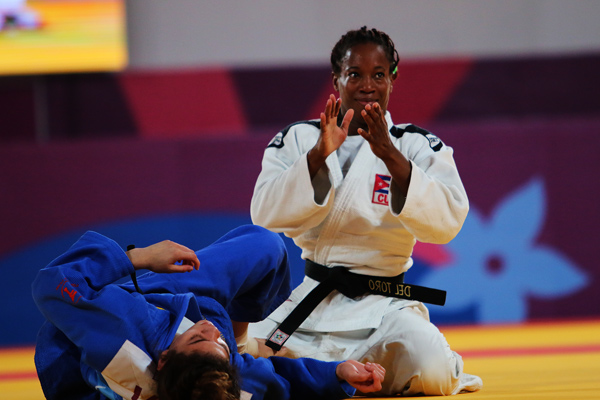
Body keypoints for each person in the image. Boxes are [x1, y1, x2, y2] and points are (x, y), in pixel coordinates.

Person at [248, 27, 483, 396]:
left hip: (385, 307)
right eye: (354, 74)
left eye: (378, 74)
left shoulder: (417, 145)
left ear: (393, 78)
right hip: (312, 302)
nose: (367, 85)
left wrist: (390, 154)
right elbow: (263, 214)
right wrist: (317, 156)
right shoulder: (300, 138)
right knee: (240, 354)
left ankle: (340, 372)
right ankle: (348, 373)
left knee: (434, 371)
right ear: (336, 79)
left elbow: (446, 224)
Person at [32, 224, 385, 400]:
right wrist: (338, 372)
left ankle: (236, 343)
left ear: (165, 357)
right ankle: (244, 343)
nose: (212, 330)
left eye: (200, 336)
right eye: (221, 344)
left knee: (265, 248)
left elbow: (51, 284)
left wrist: (139, 257)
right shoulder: (223, 384)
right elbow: (280, 380)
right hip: (181, 320)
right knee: (268, 247)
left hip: (132, 308)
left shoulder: (122, 330)